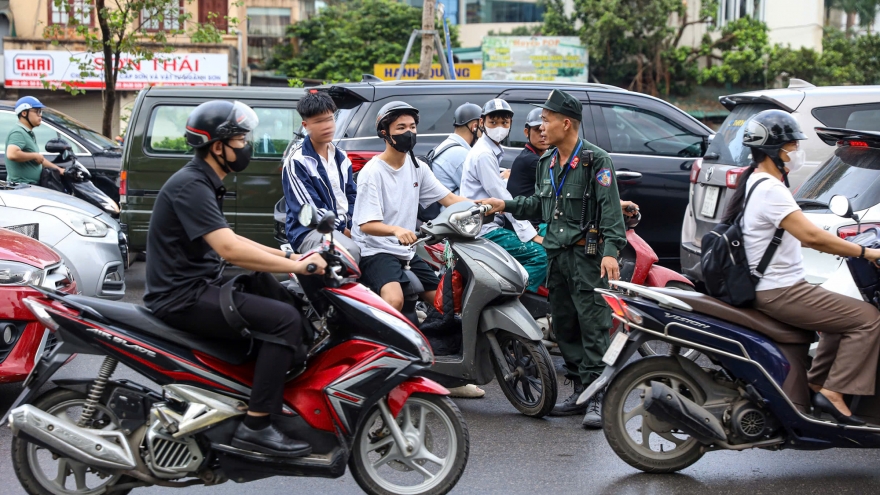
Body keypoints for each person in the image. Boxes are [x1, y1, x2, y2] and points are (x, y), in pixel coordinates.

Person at [144, 100, 327, 457]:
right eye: (243, 139)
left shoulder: (204, 181)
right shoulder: (191, 185)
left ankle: (246, 395)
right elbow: (229, 249)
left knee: (285, 299)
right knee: (284, 321)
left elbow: (232, 238)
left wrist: (292, 256)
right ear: (218, 146)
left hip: (199, 286)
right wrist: (299, 267)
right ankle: (257, 426)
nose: (248, 146)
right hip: (181, 297)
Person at [720, 109, 880, 425]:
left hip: (775, 285)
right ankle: (835, 392)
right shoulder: (770, 189)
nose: (796, 152)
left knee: (844, 316)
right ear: (775, 150)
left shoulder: (755, 182)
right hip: (780, 290)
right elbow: (811, 236)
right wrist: (867, 252)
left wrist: (850, 247)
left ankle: (817, 383)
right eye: (793, 146)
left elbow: (804, 238)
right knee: (869, 320)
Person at [478, 90, 627, 428]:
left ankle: (596, 395)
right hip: (556, 256)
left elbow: (610, 213)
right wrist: (506, 205)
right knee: (564, 324)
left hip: (587, 258)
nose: (540, 127)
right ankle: (579, 390)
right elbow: (540, 206)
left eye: (546, 121)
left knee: (593, 325)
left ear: (566, 123)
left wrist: (611, 252)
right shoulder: (547, 162)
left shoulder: (596, 161)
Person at [351, 102, 483, 398]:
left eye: (412, 127)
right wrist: (396, 230)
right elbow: (367, 224)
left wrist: (480, 206)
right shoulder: (373, 171)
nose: (409, 133)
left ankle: (447, 374)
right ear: (384, 133)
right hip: (377, 251)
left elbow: (447, 197)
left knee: (446, 301)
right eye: (401, 128)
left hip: (408, 254)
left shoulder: (417, 166)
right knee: (394, 300)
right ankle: (382, 368)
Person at [460, 99, 547, 293]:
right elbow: (502, 200)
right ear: (482, 123)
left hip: (491, 223)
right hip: (485, 229)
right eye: (494, 122)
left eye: (504, 123)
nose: (499, 127)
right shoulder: (483, 154)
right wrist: (530, 236)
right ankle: (512, 299)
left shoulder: (490, 151)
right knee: (541, 255)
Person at [282, 91, 360, 262]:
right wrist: (343, 230)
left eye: (330, 119)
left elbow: (352, 196)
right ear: (305, 125)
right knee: (350, 251)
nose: (327, 126)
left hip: (345, 227)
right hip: (310, 231)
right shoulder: (298, 161)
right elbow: (310, 210)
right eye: (318, 122)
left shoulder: (341, 157)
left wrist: (354, 226)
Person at [4, 96, 63, 184]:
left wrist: (59, 170)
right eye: (37, 111)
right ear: (24, 113)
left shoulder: (27, 133)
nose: (40, 115)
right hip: (22, 188)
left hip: (30, 187)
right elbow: (12, 154)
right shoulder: (18, 132)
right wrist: (34, 155)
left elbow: (39, 159)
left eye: (40, 111)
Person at [431, 102, 482, 194]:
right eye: (482, 128)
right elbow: (480, 190)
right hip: (453, 208)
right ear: (474, 127)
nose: (483, 133)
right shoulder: (459, 154)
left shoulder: (446, 145)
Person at [507, 107, 548, 199]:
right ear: (526, 132)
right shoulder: (530, 160)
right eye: (537, 129)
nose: (542, 134)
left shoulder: (530, 155)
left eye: (545, 129)